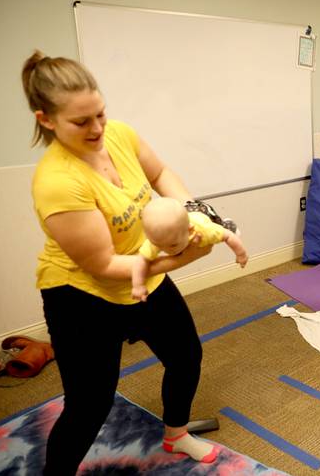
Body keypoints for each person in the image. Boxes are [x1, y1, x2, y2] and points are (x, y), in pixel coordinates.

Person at [24, 51, 218, 474]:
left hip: (141, 270)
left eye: (100, 114)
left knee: (186, 356)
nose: (97, 129)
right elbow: (104, 265)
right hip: (83, 297)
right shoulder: (56, 181)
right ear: (46, 120)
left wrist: (192, 212)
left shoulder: (120, 135)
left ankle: (176, 434)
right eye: (81, 122)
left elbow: (161, 171)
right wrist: (182, 257)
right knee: (89, 405)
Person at [132, 197, 248, 301]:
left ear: (189, 230)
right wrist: (138, 285)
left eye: (173, 245)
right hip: (186, 214)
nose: (166, 251)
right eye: (158, 245)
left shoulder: (205, 231)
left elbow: (228, 236)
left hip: (204, 212)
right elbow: (141, 261)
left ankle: (228, 224)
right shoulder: (158, 238)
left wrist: (241, 254)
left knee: (223, 228)